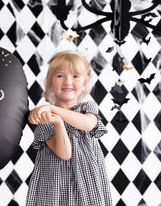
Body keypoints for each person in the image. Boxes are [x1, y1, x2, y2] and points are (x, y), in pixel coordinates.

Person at [26, 51, 112, 206]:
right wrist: (58, 123)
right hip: (56, 185)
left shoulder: (88, 108)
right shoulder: (47, 120)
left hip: (87, 184)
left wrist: (55, 110)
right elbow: (65, 154)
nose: (67, 81)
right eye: (60, 76)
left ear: (84, 84)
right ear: (50, 83)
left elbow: (87, 124)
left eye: (75, 76)